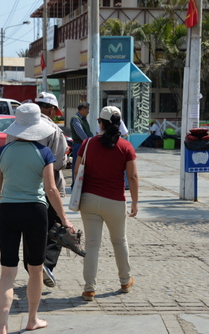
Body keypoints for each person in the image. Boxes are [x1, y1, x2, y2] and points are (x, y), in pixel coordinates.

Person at [0, 103, 75, 334]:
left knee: (7, 272)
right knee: (35, 268)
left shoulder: (3, 152)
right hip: (35, 212)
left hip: (7, 211)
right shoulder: (44, 153)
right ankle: (32, 320)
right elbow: (51, 190)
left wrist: (8, 202)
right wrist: (64, 218)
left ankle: (3, 325)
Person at [74, 105, 139, 301]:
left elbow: (77, 171)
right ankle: (125, 281)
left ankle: (89, 288)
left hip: (89, 200)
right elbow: (133, 176)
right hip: (115, 201)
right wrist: (135, 202)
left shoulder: (87, 144)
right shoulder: (126, 146)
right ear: (119, 124)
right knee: (119, 241)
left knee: (92, 245)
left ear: (100, 123)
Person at [6, 91, 69, 288]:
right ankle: (44, 265)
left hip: (17, 190)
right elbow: (58, 162)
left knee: (28, 230)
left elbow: (7, 158)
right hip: (46, 188)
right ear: (50, 109)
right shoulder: (53, 130)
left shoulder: (13, 130)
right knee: (56, 227)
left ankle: (31, 265)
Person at [70, 102, 93, 187]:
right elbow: (81, 133)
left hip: (85, 144)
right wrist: (89, 142)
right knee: (77, 167)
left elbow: (88, 132)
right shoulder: (75, 119)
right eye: (87, 110)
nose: (88, 111)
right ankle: (75, 186)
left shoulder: (83, 119)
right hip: (79, 146)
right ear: (83, 109)